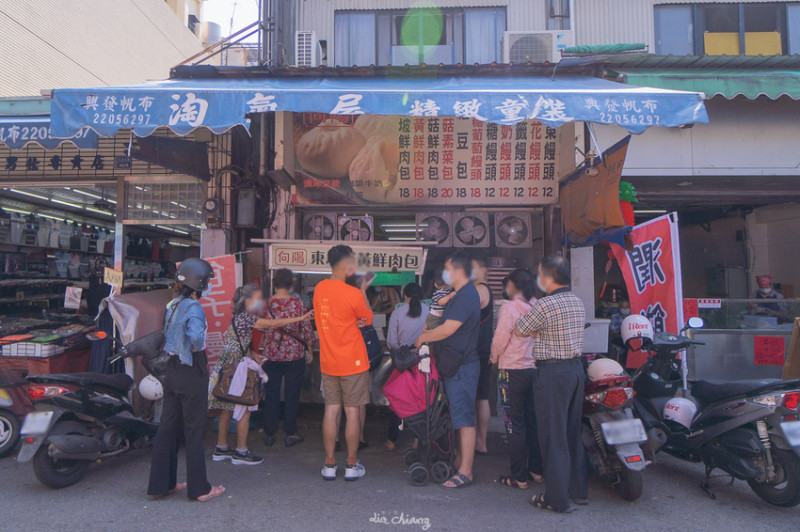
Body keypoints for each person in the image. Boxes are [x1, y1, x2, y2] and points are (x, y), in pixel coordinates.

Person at [147, 258, 224, 502]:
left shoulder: (173, 304)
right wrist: (195, 345)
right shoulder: (193, 307)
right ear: (199, 283)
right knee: (194, 430)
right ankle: (200, 489)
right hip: (192, 371)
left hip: (172, 370)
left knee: (167, 427)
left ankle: (161, 485)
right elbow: (196, 337)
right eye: (207, 281)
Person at [210, 283, 313, 465]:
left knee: (226, 407)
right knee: (244, 408)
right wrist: (300, 318)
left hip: (228, 363)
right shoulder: (248, 317)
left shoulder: (239, 317)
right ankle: (241, 452)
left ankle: (221, 447)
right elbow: (272, 323)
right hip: (237, 367)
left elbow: (240, 342)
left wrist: (253, 354)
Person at [516, 255, 588, 513]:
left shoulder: (545, 304)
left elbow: (521, 329)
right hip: (575, 370)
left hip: (553, 373)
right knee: (571, 433)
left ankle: (556, 499)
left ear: (548, 277)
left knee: (553, 436)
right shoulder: (577, 301)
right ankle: (579, 492)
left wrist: (538, 330)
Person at [415, 251, 481, 488]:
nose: (446, 273)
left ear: (459, 271)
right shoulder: (459, 294)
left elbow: (448, 330)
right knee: (458, 416)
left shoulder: (465, 296)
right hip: (455, 364)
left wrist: (423, 337)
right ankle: (460, 460)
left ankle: (466, 471)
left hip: (462, 365)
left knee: (464, 418)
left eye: (448, 269)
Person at [314, 245, 374, 481]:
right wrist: (362, 291)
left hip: (329, 361)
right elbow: (367, 317)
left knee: (331, 411)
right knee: (352, 412)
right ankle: (351, 464)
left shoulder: (319, 289)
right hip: (354, 362)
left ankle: (329, 464)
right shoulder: (353, 293)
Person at [491, 269, 543, 489]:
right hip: (534, 370)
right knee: (533, 422)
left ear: (512, 285)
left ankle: (519, 476)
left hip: (511, 370)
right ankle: (536, 471)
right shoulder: (537, 306)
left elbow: (500, 338)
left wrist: (493, 358)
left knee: (514, 425)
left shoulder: (509, 308)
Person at [260, 268, 317, 448]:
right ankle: (290, 432)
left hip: (271, 355)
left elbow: (260, 328)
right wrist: (310, 349)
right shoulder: (298, 304)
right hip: (294, 354)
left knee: (271, 394)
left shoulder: (265, 304)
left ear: (275, 283)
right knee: (292, 394)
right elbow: (306, 329)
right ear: (291, 284)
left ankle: (270, 433)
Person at [385, 283, 429, 451]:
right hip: (423, 364)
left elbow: (392, 342)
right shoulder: (428, 311)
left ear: (405, 296)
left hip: (403, 364)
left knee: (398, 400)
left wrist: (401, 351)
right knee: (422, 402)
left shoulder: (397, 313)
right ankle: (417, 441)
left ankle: (391, 441)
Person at [471, 254, 494, 455]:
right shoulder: (483, 289)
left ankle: (480, 440)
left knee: (478, 396)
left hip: (477, 350)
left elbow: (467, 315)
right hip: (483, 349)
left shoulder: (480, 289)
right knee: (482, 396)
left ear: (484, 270)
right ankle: (481, 441)